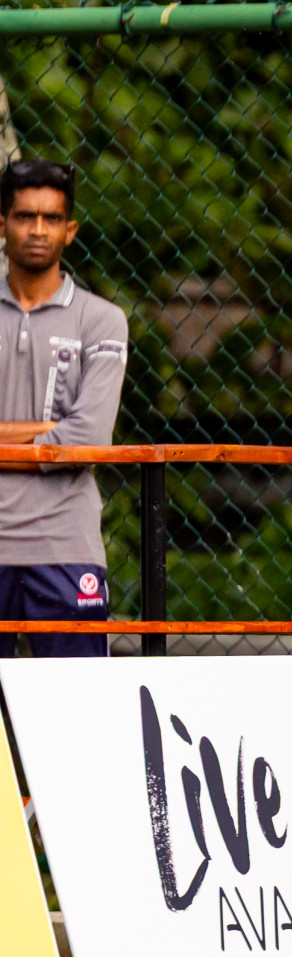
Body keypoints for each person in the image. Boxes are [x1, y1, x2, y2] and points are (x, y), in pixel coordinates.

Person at [1, 158, 128, 660]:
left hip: (66, 549)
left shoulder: (102, 320)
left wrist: (67, 437)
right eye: (24, 216)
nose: (38, 229)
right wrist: (50, 432)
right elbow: (65, 438)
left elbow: (87, 441)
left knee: (79, 721)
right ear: (2, 224)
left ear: (70, 230)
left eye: (51, 218)